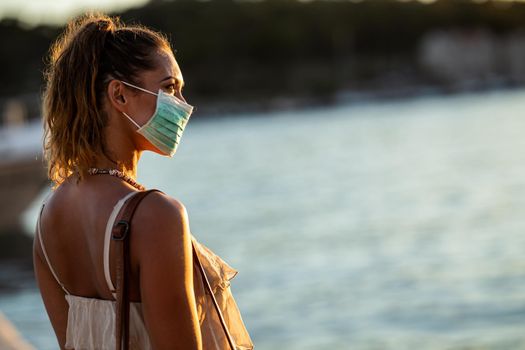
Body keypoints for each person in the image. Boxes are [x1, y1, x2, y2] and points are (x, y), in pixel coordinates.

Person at [32, 13, 253, 350]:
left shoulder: (48, 219)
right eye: (169, 88)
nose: (182, 105)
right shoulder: (155, 214)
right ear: (119, 95)